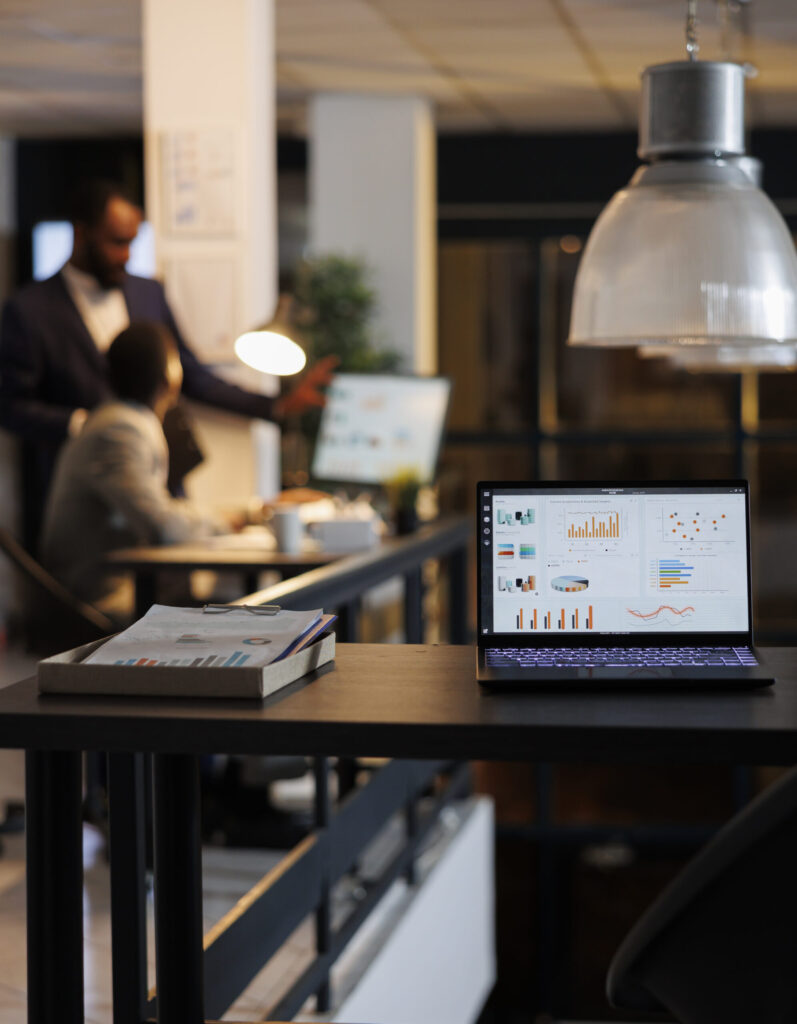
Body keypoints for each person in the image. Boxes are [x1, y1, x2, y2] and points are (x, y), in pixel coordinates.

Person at [0, 178, 335, 549]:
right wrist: (83, 424)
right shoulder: (29, 310)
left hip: (159, 475)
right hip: (91, 500)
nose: (126, 254)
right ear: (80, 234)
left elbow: (191, 374)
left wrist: (277, 406)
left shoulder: (147, 292)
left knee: (179, 563)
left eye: (132, 242)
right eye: (116, 242)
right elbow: (9, 406)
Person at [40, 322, 237, 622]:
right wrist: (227, 521)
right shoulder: (119, 429)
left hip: (117, 589)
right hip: (97, 603)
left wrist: (240, 514)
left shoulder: (116, 421)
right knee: (241, 617)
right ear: (169, 376)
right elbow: (162, 526)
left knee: (238, 611)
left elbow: (157, 512)